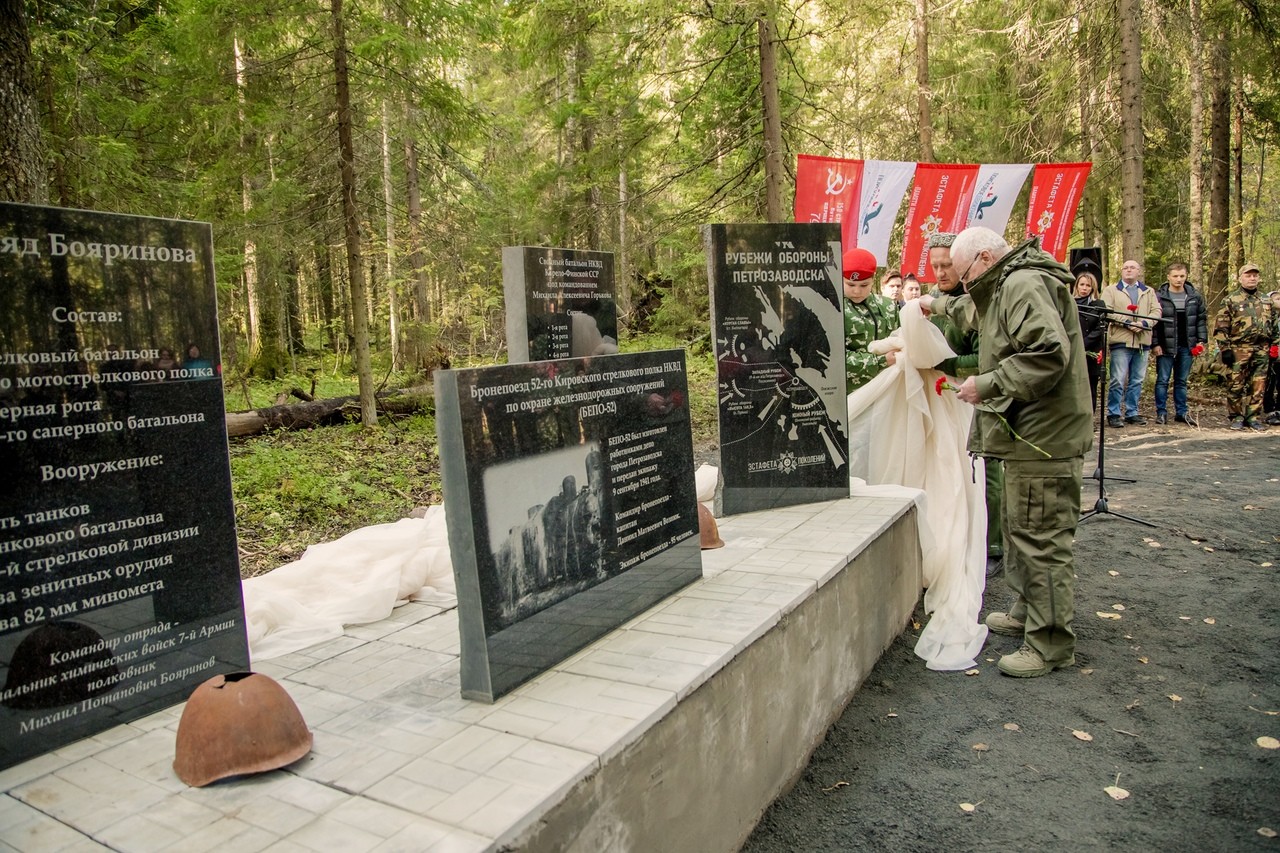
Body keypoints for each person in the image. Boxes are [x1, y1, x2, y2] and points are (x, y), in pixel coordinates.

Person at [919, 227, 1092, 678]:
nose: (962, 281)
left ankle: (1050, 642)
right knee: (1020, 526)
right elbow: (978, 315)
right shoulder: (1005, 283)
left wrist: (986, 384)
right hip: (1029, 434)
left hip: (1045, 438)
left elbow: (1047, 354)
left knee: (1041, 535)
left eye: (962, 272)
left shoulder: (1021, 284)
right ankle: (1028, 610)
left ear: (982, 258)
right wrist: (933, 304)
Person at [927, 231, 1003, 578]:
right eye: (935, 266)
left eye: (947, 265)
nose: (941, 273)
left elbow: (988, 357)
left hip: (977, 396)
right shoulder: (929, 299)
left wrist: (947, 364)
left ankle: (993, 545)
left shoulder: (981, 299)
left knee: (983, 469)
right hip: (939, 397)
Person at [1214, 262, 1278, 430]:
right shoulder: (1230, 300)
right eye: (1248, 275)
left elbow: (1275, 325)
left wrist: (1275, 346)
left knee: (1258, 385)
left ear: (1259, 278)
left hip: (1261, 349)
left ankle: (1253, 417)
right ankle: (1236, 416)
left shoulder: (1266, 300)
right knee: (1236, 384)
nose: (1252, 278)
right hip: (1238, 348)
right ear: (1241, 278)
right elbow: (1221, 327)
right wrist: (1225, 349)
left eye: (1255, 275)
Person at [1101, 259, 1159, 428]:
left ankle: (1132, 412)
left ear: (1139, 271)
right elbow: (1107, 311)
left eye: (1132, 267)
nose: (1128, 270)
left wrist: (1144, 324)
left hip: (1142, 341)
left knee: (1137, 380)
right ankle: (1114, 413)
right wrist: (1127, 322)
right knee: (1118, 379)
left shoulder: (1148, 291)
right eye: (1125, 267)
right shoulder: (1111, 290)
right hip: (1121, 341)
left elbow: (1156, 311)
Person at [1152, 262, 1208, 426]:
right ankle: (1161, 413)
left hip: (1187, 345)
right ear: (1168, 276)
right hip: (1166, 345)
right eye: (1175, 276)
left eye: (1182, 276)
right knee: (1162, 380)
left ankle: (1182, 412)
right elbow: (1154, 322)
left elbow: (1200, 320)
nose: (1178, 279)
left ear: (1186, 276)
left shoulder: (1194, 296)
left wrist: (1201, 341)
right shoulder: (1159, 296)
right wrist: (1155, 344)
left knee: (1181, 381)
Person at [843, 247, 900, 393]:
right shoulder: (831, 308)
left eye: (864, 285)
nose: (857, 291)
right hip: (850, 392)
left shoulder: (888, 306)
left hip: (886, 387)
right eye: (850, 284)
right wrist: (881, 361)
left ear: (873, 281)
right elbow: (833, 357)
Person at [1073, 272, 1106, 413]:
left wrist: (1084, 343)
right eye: (1082, 284)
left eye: (1088, 285)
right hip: (1073, 350)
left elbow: (1100, 328)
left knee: (1091, 386)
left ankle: (1090, 418)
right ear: (1076, 286)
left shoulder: (1098, 304)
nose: (1085, 288)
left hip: (1090, 350)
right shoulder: (1070, 302)